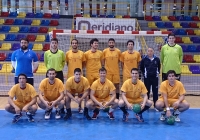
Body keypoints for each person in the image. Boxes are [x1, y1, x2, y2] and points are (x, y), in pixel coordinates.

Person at [65, 39, 85, 112]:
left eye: (75, 43)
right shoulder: (67, 53)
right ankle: (68, 109)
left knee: (81, 93)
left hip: (80, 75)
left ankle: (80, 107)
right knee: (69, 94)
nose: (74, 44)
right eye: (73, 43)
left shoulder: (82, 53)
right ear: (71, 44)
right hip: (70, 75)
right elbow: (67, 63)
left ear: (77, 44)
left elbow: (84, 64)